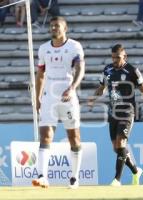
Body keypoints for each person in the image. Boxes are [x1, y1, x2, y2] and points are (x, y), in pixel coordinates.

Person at [88, 44, 143, 186]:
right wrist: (93, 97)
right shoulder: (107, 69)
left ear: (124, 56)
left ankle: (117, 180)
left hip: (127, 112)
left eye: (117, 58)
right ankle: (136, 171)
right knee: (116, 148)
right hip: (112, 112)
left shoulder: (132, 71)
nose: (114, 60)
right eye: (113, 57)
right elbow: (102, 88)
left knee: (121, 143)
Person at [32, 16, 85, 189]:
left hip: (68, 98)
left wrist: (72, 88)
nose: (54, 28)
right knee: (45, 136)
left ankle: (74, 178)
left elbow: (80, 69)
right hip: (49, 99)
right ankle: (42, 177)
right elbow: (40, 75)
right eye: (52, 26)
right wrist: (38, 97)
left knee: (74, 138)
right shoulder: (43, 48)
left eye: (58, 26)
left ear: (65, 28)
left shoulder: (74, 46)